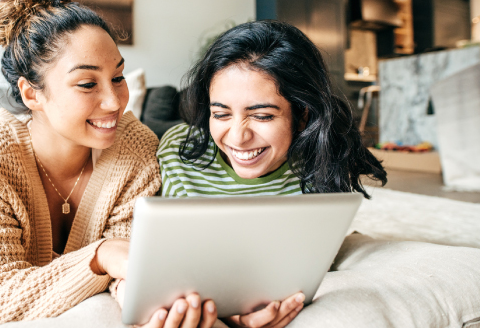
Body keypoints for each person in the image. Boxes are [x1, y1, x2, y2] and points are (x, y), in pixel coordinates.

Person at [0, 0, 217, 328]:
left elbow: (129, 270)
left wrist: (138, 295)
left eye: (118, 78)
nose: (114, 102)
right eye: (88, 83)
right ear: (32, 94)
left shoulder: (135, 149)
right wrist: (99, 256)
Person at [157, 20, 387, 327]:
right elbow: (168, 262)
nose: (237, 137)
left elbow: (308, 264)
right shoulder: (180, 151)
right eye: (220, 113)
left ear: (303, 114)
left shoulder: (320, 160)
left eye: (262, 115)